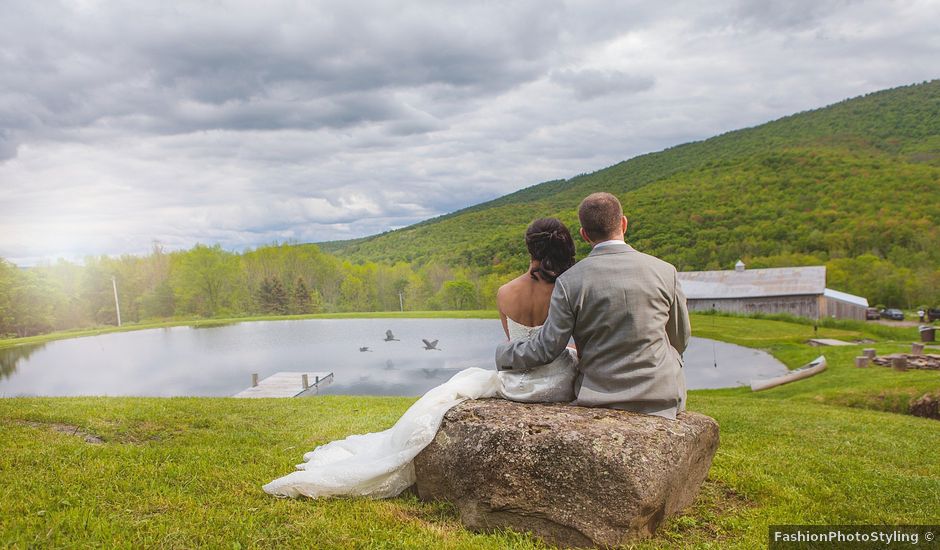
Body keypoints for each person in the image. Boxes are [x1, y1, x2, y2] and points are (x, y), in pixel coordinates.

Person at [263, 218, 580, 499]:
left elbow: (516, 346)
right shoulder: (569, 291)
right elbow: (559, 343)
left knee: (456, 387)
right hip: (555, 384)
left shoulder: (505, 292)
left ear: (529, 249)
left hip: (518, 383)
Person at [496, 192, 690, 420]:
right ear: (624, 223)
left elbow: (548, 347)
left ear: (584, 234)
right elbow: (680, 338)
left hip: (600, 395)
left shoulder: (570, 281)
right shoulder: (666, 271)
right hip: (662, 395)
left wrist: (503, 353)